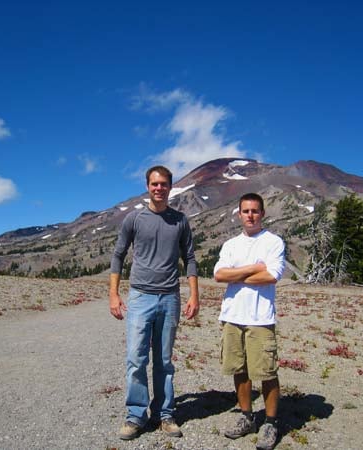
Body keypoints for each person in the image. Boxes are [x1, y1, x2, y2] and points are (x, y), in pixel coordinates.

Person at [109, 165, 200, 441]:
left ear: (170, 187)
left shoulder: (180, 221)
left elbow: (191, 259)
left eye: (163, 184)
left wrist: (194, 295)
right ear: (147, 186)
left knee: (164, 360)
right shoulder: (134, 219)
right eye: (154, 184)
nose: (159, 188)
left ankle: (164, 414)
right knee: (136, 358)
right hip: (139, 297)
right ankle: (136, 415)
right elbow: (118, 255)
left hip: (170, 298)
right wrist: (113, 294)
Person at [213, 192, 286, 450]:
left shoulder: (273, 242)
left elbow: (272, 275)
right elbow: (219, 275)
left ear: (263, 213)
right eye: (246, 211)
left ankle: (270, 422)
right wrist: (253, 268)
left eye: (255, 211)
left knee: (266, 372)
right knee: (240, 370)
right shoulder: (231, 244)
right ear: (239, 214)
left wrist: (236, 276)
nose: (250, 215)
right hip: (232, 317)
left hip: (260, 318)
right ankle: (246, 417)